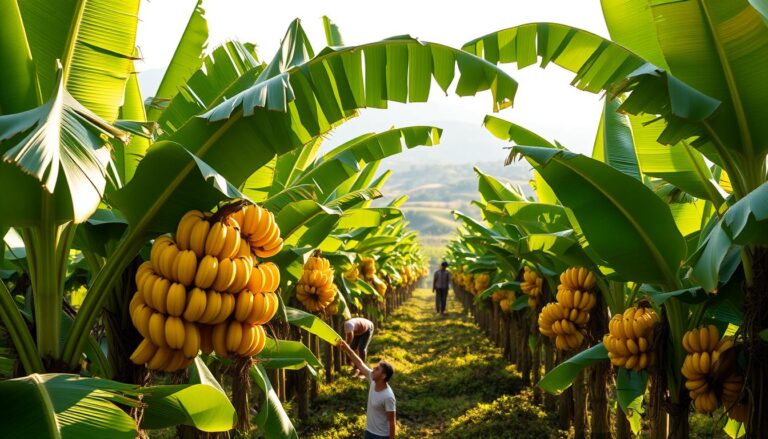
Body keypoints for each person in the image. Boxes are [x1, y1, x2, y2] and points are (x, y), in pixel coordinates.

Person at [337, 339, 396, 439]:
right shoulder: (373, 380)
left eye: (377, 369)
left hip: (381, 436)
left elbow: (392, 421)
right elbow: (359, 363)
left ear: (383, 376)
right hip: (369, 432)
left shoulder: (388, 396)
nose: (373, 369)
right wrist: (347, 349)